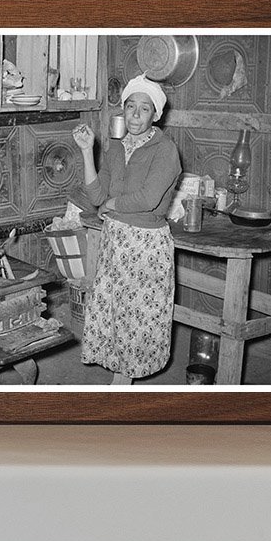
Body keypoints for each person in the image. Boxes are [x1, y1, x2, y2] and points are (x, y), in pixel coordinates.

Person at [72, 75, 182, 385]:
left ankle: (122, 386)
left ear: (155, 114)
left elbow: (148, 200)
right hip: (116, 244)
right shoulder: (117, 148)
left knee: (138, 318)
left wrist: (112, 204)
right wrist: (86, 150)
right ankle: (120, 381)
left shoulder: (166, 150)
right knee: (115, 315)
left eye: (143, 109)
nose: (135, 114)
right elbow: (96, 196)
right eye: (130, 106)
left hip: (145, 246)